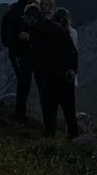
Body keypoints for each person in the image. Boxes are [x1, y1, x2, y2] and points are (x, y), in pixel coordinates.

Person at [0, 0, 39, 124]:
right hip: (17, 52)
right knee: (23, 81)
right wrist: (19, 36)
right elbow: (9, 34)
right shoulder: (15, 12)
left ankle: (21, 114)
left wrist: (28, 35)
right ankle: (19, 115)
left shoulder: (33, 11)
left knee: (26, 82)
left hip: (28, 53)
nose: (33, 0)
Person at [41, 7, 80, 139]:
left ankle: (49, 136)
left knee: (50, 110)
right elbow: (74, 55)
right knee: (69, 109)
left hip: (50, 78)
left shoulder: (47, 33)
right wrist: (72, 71)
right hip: (65, 78)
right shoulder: (66, 34)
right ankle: (73, 135)